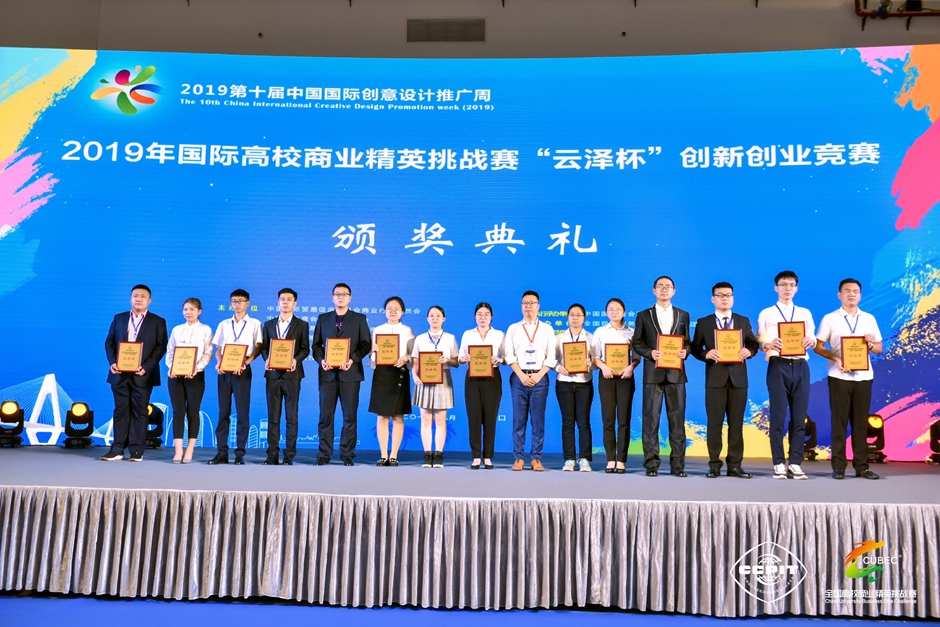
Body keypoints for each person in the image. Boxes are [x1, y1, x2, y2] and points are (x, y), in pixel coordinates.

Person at [813, 278, 883, 480]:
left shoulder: (869, 318)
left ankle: (862, 467)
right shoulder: (830, 318)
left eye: (855, 291)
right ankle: (839, 467)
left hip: (864, 377)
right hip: (839, 376)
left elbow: (879, 348)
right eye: (847, 291)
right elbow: (818, 346)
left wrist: (870, 345)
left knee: (861, 423)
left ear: (860, 295)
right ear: (839, 295)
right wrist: (836, 358)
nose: (851, 294)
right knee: (839, 422)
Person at [690, 282, 760, 478]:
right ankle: (714, 465)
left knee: (736, 425)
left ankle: (735, 465)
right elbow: (695, 348)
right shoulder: (704, 323)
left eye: (728, 295)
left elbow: (753, 344)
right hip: (715, 379)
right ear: (713, 299)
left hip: (739, 380)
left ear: (733, 298)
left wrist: (749, 351)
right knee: (714, 424)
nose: (725, 298)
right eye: (720, 295)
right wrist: (706, 354)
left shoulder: (743, 320)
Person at [756, 270, 816, 480]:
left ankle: (796, 463)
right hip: (777, 366)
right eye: (783, 284)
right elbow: (758, 340)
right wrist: (768, 344)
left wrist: (811, 342)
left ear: (796, 288)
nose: (787, 288)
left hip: (800, 366)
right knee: (778, 416)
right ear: (776, 288)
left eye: (791, 284)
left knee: (799, 417)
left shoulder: (805, 313)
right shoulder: (766, 313)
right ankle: (779, 463)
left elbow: (812, 338)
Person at [631, 276, 692, 477]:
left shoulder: (683, 315)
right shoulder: (644, 315)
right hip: (653, 375)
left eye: (668, 287)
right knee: (650, 421)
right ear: (654, 291)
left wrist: (685, 351)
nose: (664, 290)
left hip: (676, 375)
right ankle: (651, 465)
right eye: (660, 286)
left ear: (674, 291)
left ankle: (678, 466)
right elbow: (636, 343)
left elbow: (688, 342)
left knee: (677, 422)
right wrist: (650, 353)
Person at [101, 284, 168, 462]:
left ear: (149, 300)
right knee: (120, 411)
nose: (139, 299)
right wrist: (113, 362)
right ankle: (117, 449)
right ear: (130, 298)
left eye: (143, 296)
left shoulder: (158, 321)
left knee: (140, 412)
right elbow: (109, 342)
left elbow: (161, 347)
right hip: (119, 373)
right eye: (135, 296)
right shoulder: (119, 318)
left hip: (142, 374)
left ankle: (137, 450)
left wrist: (146, 366)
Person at [312, 283, 372, 466]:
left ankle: (347, 454)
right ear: (332, 297)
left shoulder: (359, 319)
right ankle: (324, 454)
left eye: (344, 294)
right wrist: (321, 360)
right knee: (325, 416)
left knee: (349, 416)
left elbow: (366, 344)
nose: (340, 297)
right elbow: (316, 346)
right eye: (337, 294)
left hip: (350, 374)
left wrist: (352, 359)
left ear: (350, 298)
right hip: (327, 374)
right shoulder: (323, 318)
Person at [503, 290, 557, 471]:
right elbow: (509, 355)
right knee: (519, 420)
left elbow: (551, 357)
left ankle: (536, 458)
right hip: (519, 378)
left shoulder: (547, 329)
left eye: (532, 303)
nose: (529, 306)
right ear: (521, 306)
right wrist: (521, 375)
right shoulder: (513, 329)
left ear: (538, 306)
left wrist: (538, 375)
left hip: (540, 378)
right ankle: (519, 457)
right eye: (525, 303)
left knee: (538, 420)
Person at [208, 289, 263, 465]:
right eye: (234, 301)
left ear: (248, 303)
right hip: (224, 371)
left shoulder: (255, 323)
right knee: (223, 412)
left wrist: (246, 362)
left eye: (240, 301)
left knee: (242, 412)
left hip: (243, 370)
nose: (237, 304)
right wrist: (219, 363)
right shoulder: (224, 324)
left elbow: (259, 347)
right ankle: (221, 452)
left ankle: (240, 453)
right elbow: (218, 349)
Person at [260, 288, 310, 465]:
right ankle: (272, 455)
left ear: (295, 303)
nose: (285, 302)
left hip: (292, 375)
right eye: (282, 299)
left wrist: (296, 360)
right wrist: (267, 359)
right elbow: (264, 347)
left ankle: (289, 455)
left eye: (289, 299)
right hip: (273, 375)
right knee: (273, 417)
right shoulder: (268, 324)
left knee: (291, 416)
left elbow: (305, 349)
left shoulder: (302, 325)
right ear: (278, 302)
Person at [592, 298, 641, 474]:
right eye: (611, 309)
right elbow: (595, 356)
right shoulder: (600, 331)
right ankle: (610, 458)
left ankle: (621, 460)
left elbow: (636, 357)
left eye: (618, 309)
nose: (614, 312)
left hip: (625, 378)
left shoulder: (632, 332)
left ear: (624, 312)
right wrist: (604, 367)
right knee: (608, 419)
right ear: (606, 312)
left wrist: (631, 367)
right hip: (606, 377)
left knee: (624, 420)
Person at [165, 298, 214, 463]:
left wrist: (197, 368)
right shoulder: (177, 329)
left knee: (193, 412)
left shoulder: (206, 330)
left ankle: (190, 448)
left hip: (195, 376)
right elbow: (170, 351)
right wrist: (171, 367)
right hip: (175, 376)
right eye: (185, 309)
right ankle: (178, 450)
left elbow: (208, 352)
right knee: (178, 412)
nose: (188, 312)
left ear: (199, 311)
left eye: (192, 309)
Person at [369, 296, 415, 467]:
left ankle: (394, 455)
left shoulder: (408, 330)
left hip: (399, 373)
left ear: (402, 312)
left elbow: (413, 355)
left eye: (397, 309)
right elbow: (372, 358)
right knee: (382, 416)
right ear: (385, 311)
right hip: (382, 374)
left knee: (398, 416)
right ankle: (383, 455)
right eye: (389, 308)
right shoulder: (377, 330)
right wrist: (373, 351)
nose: (393, 311)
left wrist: (406, 358)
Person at [458, 303, 504, 470]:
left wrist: (500, 359)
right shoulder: (468, 334)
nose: (483, 317)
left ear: (491, 317)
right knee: (474, 417)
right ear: (474, 317)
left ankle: (488, 456)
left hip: (492, 378)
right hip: (473, 378)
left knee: (490, 418)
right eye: (479, 314)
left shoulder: (499, 334)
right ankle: (476, 456)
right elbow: (460, 357)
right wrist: (464, 358)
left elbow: (506, 356)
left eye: (486, 314)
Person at [411, 306, 459, 468]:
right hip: (423, 380)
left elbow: (456, 362)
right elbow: (415, 360)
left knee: (440, 420)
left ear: (443, 318)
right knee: (425, 419)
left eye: (438, 315)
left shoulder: (450, 338)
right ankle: (427, 454)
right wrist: (414, 375)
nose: (435, 318)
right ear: (427, 319)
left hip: (442, 379)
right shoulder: (420, 339)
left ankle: (438, 454)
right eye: (431, 315)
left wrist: (448, 360)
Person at [554, 304, 595, 472]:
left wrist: (590, 364)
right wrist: (558, 367)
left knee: (583, 422)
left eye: (579, 315)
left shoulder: (591, 337)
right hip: (564, 382)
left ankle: (584, 459)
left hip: (584, 383)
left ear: (584, 318)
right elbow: (551, 359)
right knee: (567, 422)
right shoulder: (559, 338)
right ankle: (569, 459)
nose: (575, 318)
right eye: (572, 315)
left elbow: (597, 362)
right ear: (567, 317)